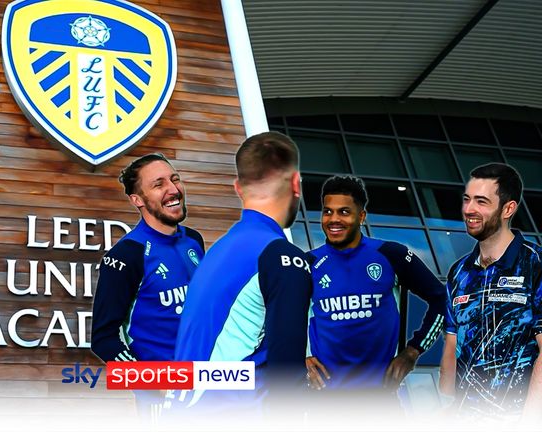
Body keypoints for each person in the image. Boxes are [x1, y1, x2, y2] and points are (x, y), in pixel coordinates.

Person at [170, 131, 312, 418]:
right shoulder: (281, 256)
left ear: (238, 188)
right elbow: (287, 379)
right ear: (296, 183)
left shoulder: (216, 253)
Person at [304, 175, 446, 417]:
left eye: (344, 212)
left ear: (361, 216)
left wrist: (413, 351)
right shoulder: (309, 263)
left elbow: (443, 300)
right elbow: (277, 317)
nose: (334, 219)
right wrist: (301, 356)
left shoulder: (391, 254)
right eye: (327, 212)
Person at [90, 153, 205, 419]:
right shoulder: (126, 254)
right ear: (137, 200)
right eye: (159, 184)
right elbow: (103, 339)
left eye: (175, 179)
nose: (173, 189)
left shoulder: (194, 241)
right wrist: (154, 384)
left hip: (208, 388)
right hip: (164, 403)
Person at [440, 163, 542, 422]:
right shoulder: (458, 272)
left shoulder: (535, 264)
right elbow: (451, 346)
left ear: (508, 209)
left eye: (481, 201)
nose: (468, 210)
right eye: (467, 199)